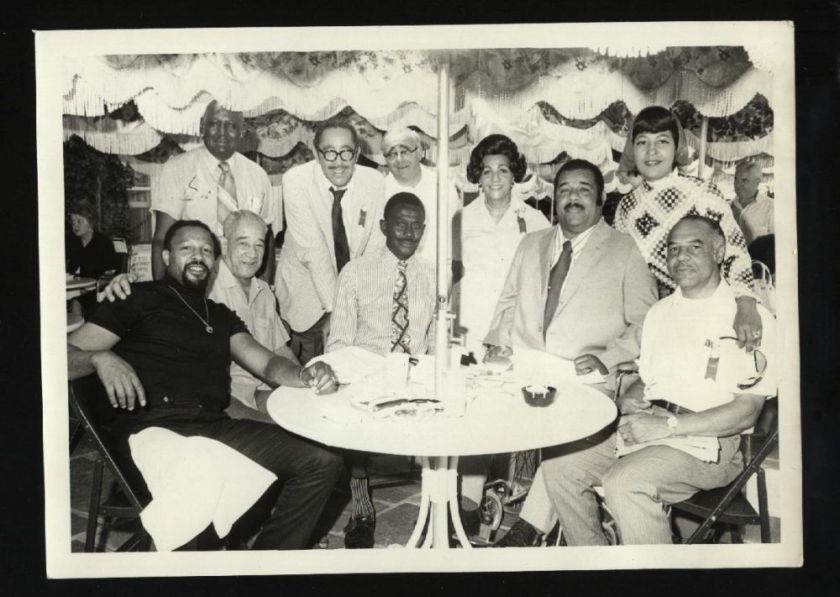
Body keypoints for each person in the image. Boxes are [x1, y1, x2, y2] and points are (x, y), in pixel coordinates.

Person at [68, 219, 343, 550]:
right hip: (152, 429)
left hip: (213, 426)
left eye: (206, 251)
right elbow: (56, 356)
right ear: (167, 257)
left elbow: (268, 362)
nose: (198, 256)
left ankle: (267, 564)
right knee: (200, 485)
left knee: (322, 461)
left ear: (215, 262)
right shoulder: (136, 298)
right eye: (187, 248)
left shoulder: (220, 315)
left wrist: (305, 375)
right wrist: (99, 358)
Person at [539, 215, 777, 545]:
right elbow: (646, 381)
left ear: (719, 251)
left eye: (694, 247)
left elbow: (747, 411)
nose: (681, 258)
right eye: (673, 249)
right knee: (560, 464)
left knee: (624, 482)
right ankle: (594, 562)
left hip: (711, 445)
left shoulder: (749, 319)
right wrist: (631, 398)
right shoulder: (659, 313)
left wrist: (670, 427)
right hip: (652, 426)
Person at [468, 159, 658, 546]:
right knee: (471, 405)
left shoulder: (624, 251)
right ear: (553, 198)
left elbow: (647, 323)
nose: (572, 198)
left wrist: (607, 358)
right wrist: (495, 344)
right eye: (564, 189)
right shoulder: (531, 243)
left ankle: (529, 528)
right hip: (525, 369)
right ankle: (466, 505)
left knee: (568, 426)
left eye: (583, 190)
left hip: (586, 377)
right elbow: (506, 304)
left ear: (601, 199)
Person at [101, 210, 298, 423]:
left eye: (259, 245)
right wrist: (123, 283)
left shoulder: (264, 292)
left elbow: (279, 349)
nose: (252, 254)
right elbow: (161, 298)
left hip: (259, 388)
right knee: (286, 433)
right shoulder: (200, 285)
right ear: (224, 244)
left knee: (306, 418)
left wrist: (305, 378)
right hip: (222, 398)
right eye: (243, 243)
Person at [326, 192, 436, 548]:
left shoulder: (432, 276)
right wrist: (360, 381)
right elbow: (340, 343)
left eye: (417, 224)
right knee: (351, 426)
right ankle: (361, 511)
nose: (409, 232)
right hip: (367, 379)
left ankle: (440, 505)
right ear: (384, 226)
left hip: (416, 380)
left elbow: (434, 341)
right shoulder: (356, 272)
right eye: (401, 224)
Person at [613, 105, 763, 351]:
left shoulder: (702, 192)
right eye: (642, 142)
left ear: (676, 147)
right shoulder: (626, 208)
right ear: (632, 149)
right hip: (652, 322)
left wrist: (746, 304)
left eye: (662, 141)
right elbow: (621, 274)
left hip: (709, 313)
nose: (651, 151)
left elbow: (734, 250)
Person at [275, 118, 386, 365]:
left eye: (346, 152)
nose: (338, 162)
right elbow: (313, 253)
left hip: (355, 301)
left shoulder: (375, 182)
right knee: (310, 381)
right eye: (329, 153)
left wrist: (357, 310)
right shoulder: (295, 181)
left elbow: (374, 248)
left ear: (357, 153)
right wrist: (338, 316)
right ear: (316, 153)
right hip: (308, 301)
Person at [151, 100, 278, 282]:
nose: (222, 132)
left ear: (242, 131)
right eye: (214, 124)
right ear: (202, 126)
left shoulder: (258, 175)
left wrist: (265, 290)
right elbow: (161, 240)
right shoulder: (176, 169)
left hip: (243, 285)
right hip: (194, 283)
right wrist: (163, 297)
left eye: (231, 126)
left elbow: (266, 239)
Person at [451, 134, 550, 356]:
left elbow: (543, 282)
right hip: (470, 324)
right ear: (478, 177)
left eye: (503, 170)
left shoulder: (536, 221)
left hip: (515, 327)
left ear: (513, 175)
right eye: (487, 171)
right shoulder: (461, 219)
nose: (495, 178)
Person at [381, 126, 461, 262]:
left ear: (419, 152)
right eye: (392, 154)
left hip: (438, 271)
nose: (399, 159)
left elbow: (457, 236)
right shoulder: (379, 191)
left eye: (405, 151)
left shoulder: (443, 186)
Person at [66, 199, 120, 317]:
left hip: (98, 291)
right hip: (76, 289)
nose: (75, 225)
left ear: (90, 222)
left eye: (79, 221)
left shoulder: (104, 243)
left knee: (76, 303)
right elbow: (70, 270)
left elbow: (110, 273)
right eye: (73, 222)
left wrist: (91, 287)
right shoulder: (72, 242)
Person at [731, 160, 774, 244]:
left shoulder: (771, 208)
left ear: (757, 182)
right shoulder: (727, 207)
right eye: (736, 179)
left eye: (744, 180)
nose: (738, 185)